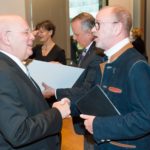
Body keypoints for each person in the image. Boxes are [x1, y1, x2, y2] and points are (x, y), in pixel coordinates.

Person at [79, 6, 150, 149]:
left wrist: (98, 125)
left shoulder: (136, 65)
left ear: (117, 28)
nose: (93, 30)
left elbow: (145, 118)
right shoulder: (108, 60)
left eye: (98, 24)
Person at [0, 15, 70, 150]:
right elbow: (18, 132)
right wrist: (57, 112)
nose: (32, 36)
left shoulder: (9, 66)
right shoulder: (2, 72)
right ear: (7, 38)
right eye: (26, 32)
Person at [42, 12, 104, 150]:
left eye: (76, 34)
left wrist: (55, 91)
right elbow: (81, 74)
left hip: (91, 115)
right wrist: (62, 68)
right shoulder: (88, 51)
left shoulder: (97, 55)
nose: (74, 38)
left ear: (89, 33)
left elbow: (87, 89)